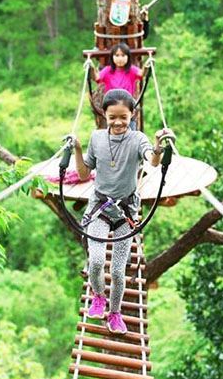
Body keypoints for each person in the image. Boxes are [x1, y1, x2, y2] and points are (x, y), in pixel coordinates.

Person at [70, 89, 173, 335]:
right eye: (112, 117)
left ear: (132, 115)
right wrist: (76, 149)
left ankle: (115, 313)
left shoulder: (138, 139)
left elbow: (152, 161)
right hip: (99, 206)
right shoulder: (96, 138)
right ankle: (98, 297)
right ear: (104, 114)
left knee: (117, 270)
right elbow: (85, 174)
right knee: (95, 261)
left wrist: (158, 146)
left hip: (126, 210)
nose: (117, 122)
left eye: (123, 117)